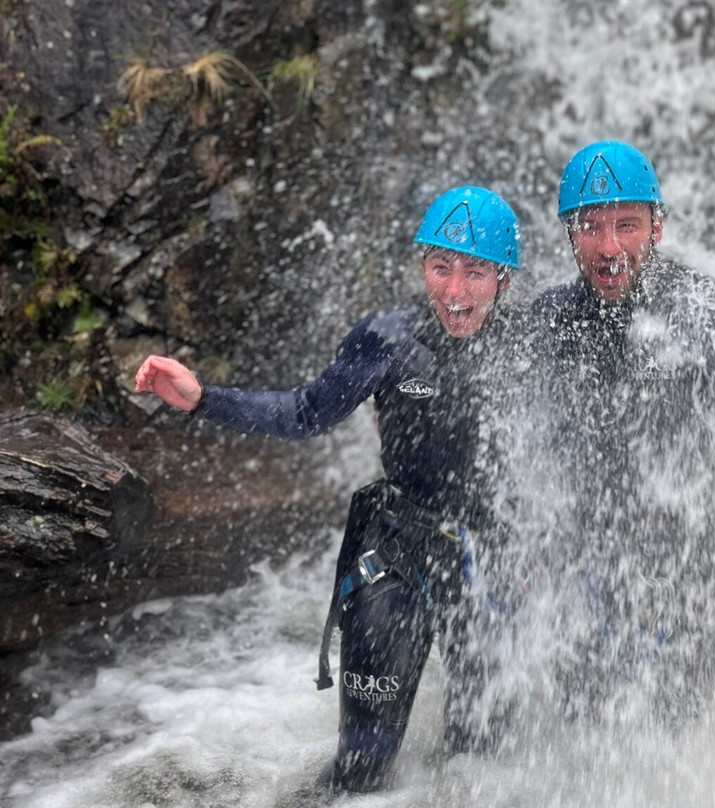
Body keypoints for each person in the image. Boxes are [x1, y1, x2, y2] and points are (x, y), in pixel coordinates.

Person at [134, 186, 522, 792]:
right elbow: (304, 412)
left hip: (492, 559)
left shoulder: (534, 348)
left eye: (474, 272)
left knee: (481, 765)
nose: (454, 291)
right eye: (441, 267)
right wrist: (202, 399)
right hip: (399, 547)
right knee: (361, 770)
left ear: (503, 276)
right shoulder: (388, 339)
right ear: (422, 266)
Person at [527, 141, 715, 720]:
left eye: (626, 225)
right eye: (591, 228)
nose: (609, 248)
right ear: (570, 235)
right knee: (582, 753)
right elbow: (493, 425)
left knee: (671, 754)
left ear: (657, 227)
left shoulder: (703, 314)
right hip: (581, 581)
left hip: (684, 583)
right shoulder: (547, 323)